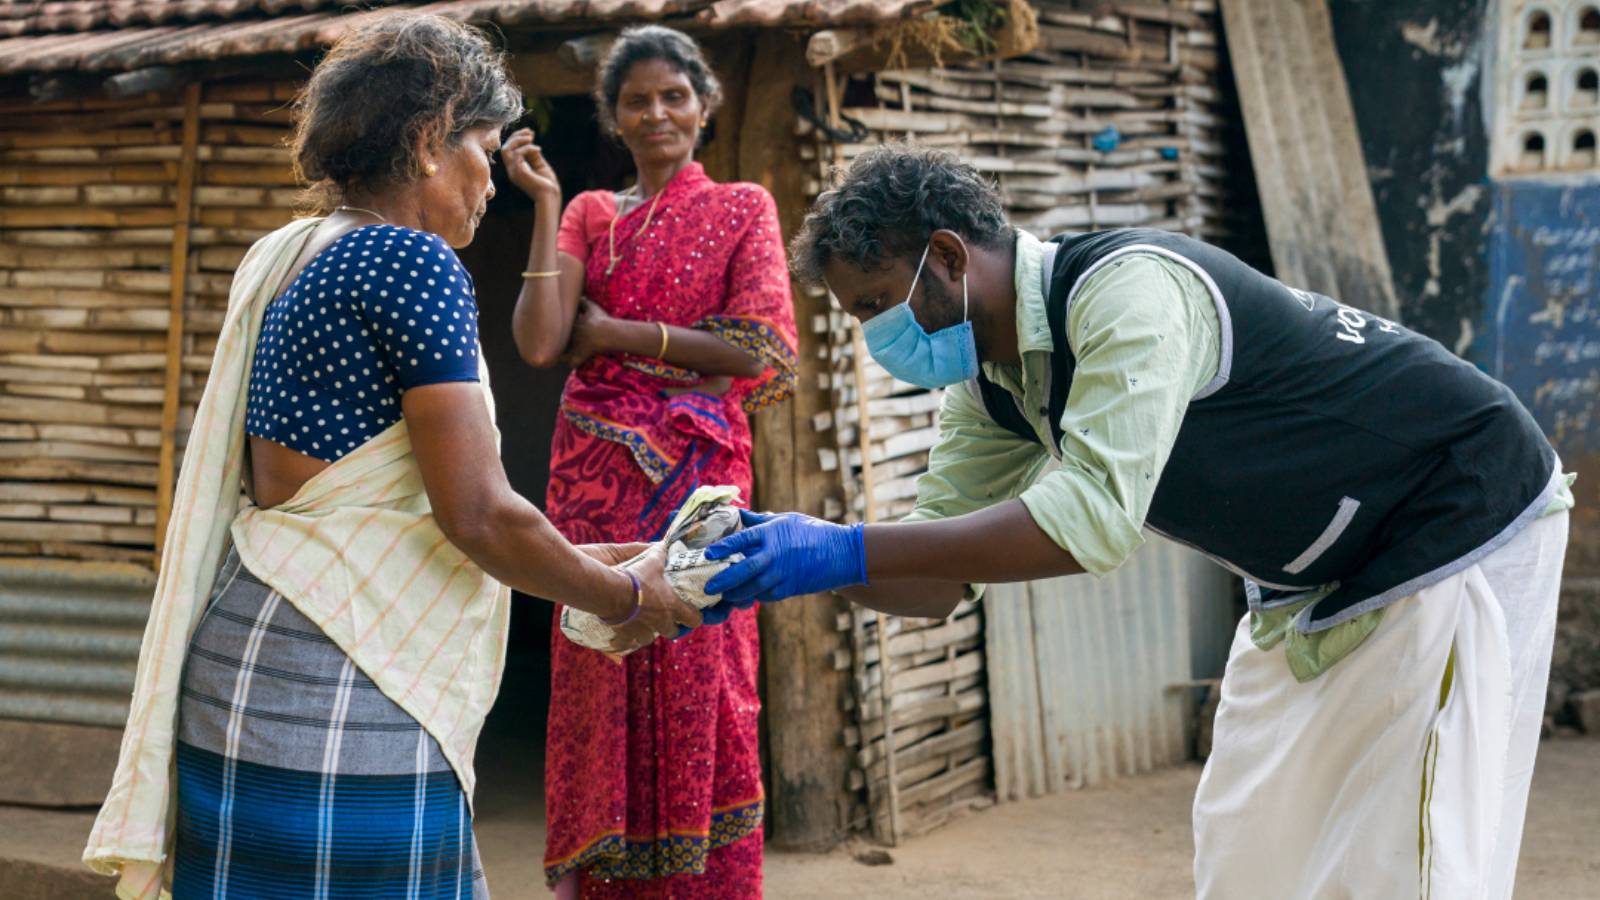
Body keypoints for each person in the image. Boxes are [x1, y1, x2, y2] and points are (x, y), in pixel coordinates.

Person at [703, 144, 1575, 899]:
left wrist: (838, 549)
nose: (875, 335)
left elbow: (1090, 520)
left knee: (1400, 852)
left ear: (945, 256)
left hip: (1454, 513)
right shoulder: (992, 388)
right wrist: (780, 566)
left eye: (875, 304)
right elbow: (934, 579)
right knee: (1253, 840)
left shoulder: (1129, 291)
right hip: (1316, 575)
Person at [82, 15, 698, 900]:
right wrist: (628, 597)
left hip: (249, 663)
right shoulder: (410, 262)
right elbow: (478, 516)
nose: (494, 182)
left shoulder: (295, 251)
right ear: (426, 141)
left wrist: (588, 561)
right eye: (485, 149)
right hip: (344, 682)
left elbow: (371, 502)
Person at [504, 24, 797, 899]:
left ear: (704, 108)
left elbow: (760, 351)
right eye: (638, 100)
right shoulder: (593, 214)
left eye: (674, 96)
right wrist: (548, 207)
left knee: (704, 661)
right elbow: (542, 339)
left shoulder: (745, 206)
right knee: (599, 656)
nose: (657, 112)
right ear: (614, 118)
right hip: (592, 479)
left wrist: (619, 336)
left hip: (698, 481)